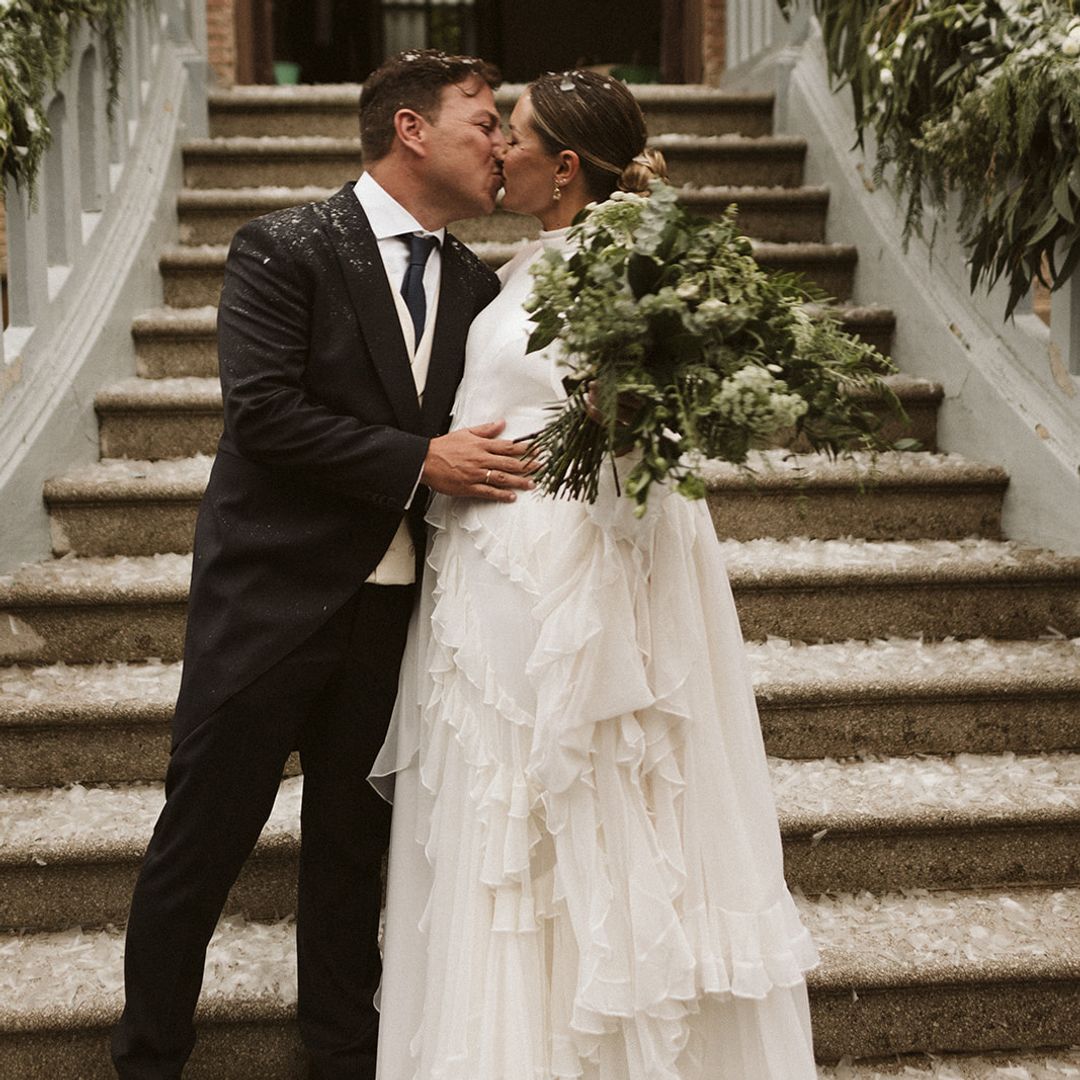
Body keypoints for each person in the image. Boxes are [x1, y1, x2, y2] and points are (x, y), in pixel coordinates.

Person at [372, 69, 820, 1079]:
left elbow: (642, 435)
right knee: (506, 836)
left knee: (564, 819)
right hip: (492, 578)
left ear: (565, 165)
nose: (496, 149)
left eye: (514, 135)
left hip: (563, 576)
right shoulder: (536, 260)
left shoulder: (625, 264)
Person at [111, 50, 535, 1080]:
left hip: (394, 616)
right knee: (200, 846)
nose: (499, 143)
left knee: (352, 857)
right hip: (269, 603)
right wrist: (418, 460)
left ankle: (340, 1054)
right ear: (410, 130)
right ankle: (148, 1057)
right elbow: (264, 415)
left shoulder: (479, 284)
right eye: (483, 120)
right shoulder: (283, 246)